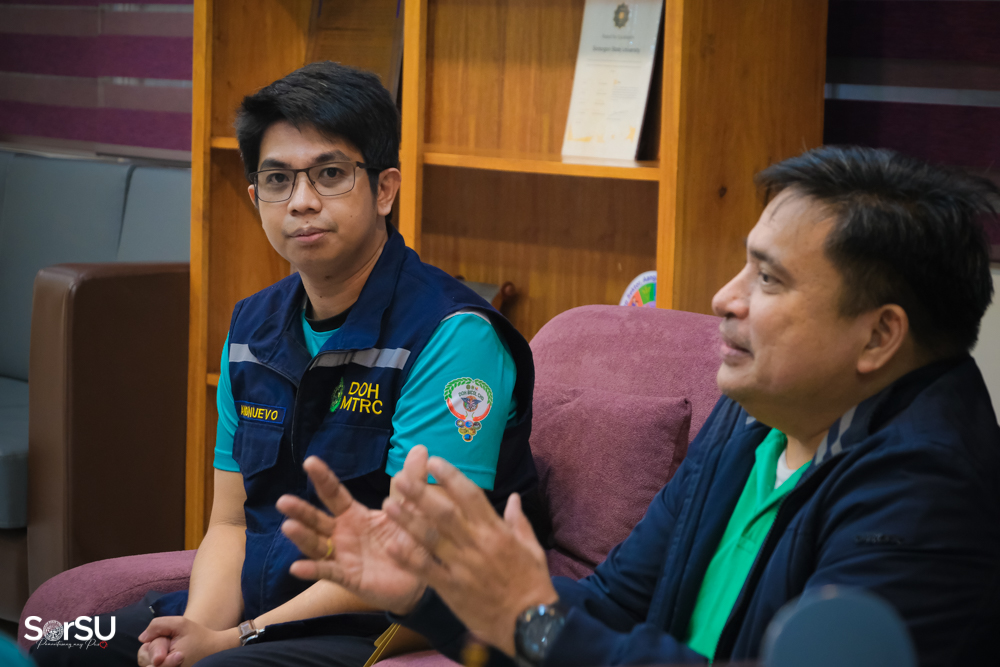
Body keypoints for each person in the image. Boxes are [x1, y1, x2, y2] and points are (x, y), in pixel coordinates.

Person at [278, 146, 1000, 666]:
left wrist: (534, 619)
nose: (725, 297)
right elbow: (616, 604)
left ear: (879, 335)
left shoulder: (927, 491)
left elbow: (564, 631)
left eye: (769, 280)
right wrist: (435, 589)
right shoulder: (755, 420)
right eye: (745, 264)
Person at [31, 61, 543, 667]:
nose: (301, 202)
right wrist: (198, 629)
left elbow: (414, 556)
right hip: (262, 607)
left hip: (381, 622)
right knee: (56, 644)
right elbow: (230, 525)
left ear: (384, 190)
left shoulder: (453, 335)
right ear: (256, 198)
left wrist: (234, 639)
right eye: (277, 180)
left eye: (330, 174)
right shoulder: (252, 328)